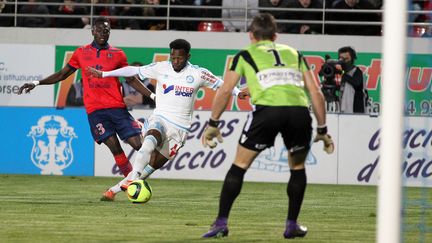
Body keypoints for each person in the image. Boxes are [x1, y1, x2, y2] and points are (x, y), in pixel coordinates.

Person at [201, 13, 334, 239]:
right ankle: (291, 224)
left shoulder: (244, 55)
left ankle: (221, 222)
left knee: (239, 166)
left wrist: (213, 122)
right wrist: (322, 129)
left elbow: (225, 91)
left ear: (250, 35)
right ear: (275, 36)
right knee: (298, 168)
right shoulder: (294, 54)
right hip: (298, 113)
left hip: (267, 111)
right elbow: (316, 92)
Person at [87, 39, 249, 201]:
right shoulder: (161, 67)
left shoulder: (198, 73)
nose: (176, 61)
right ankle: (131, 179)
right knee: (148, 144)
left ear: (188, 56)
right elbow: (133, 70)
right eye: (173, 57)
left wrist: (237, 92)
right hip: (160, 118)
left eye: (180, 58)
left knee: (151, 166)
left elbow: (221, 84)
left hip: (179, 130)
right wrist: (104, 74)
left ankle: (113, 190)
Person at [18, 17, 155, 199]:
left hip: (117, 108)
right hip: (95, 112)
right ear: (92, 31)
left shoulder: (118, 54)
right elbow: (62, 74)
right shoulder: (81, 53)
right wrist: (37, 82)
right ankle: (130, 185)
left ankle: (128, 179)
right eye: (99, 30)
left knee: (138, 145)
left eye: (106, 31)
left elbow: (130, 79)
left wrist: (152, 96)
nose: (102, 34)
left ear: (109, 32)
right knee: (115, 148)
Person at [336, 46, 367, 113]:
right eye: (341, 59)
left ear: (352, 59)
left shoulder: (357, 72)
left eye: (346, 59)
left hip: (356, 113)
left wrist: (342, 73)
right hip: (344, 113)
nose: (343, 62)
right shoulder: (345, 74)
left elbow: (356, 83)